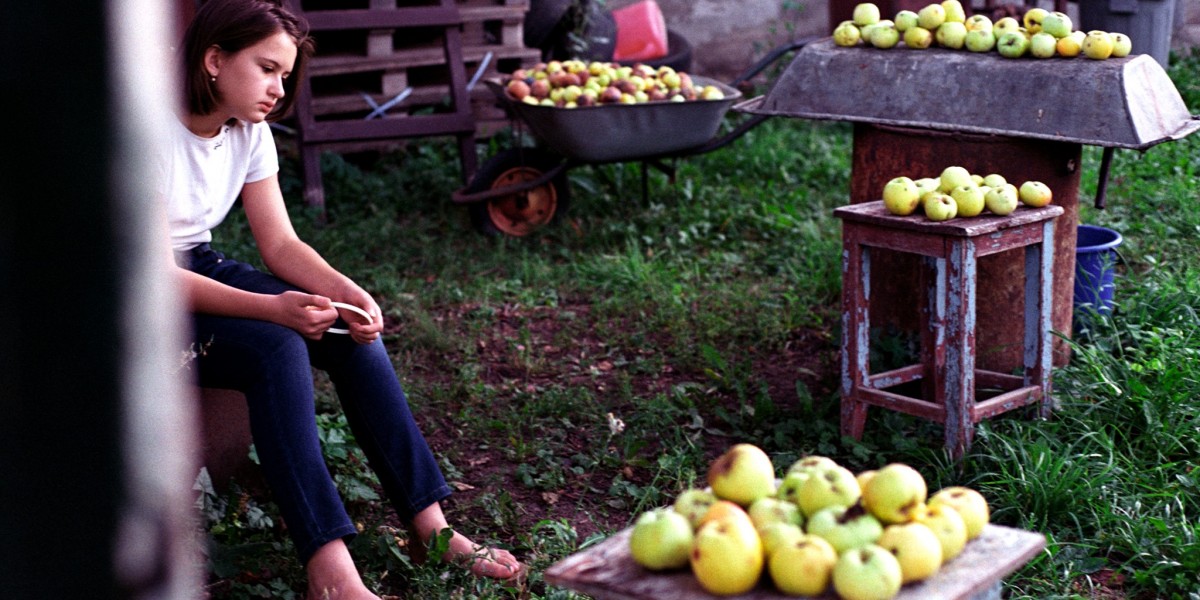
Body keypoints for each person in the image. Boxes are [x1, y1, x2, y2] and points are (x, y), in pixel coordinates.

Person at [162, 1, 523, 597]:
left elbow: (280, 243)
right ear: (214, 59)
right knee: (279, 345)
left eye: (285, 75)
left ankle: (430, 526)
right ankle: (328, 568)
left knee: (346, 334)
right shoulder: (143, 131)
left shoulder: (248, 131)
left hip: (197, 267)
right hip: (130, 298)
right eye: (267, 68)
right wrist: (274, 308)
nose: (279, 89)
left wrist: (348, 294)